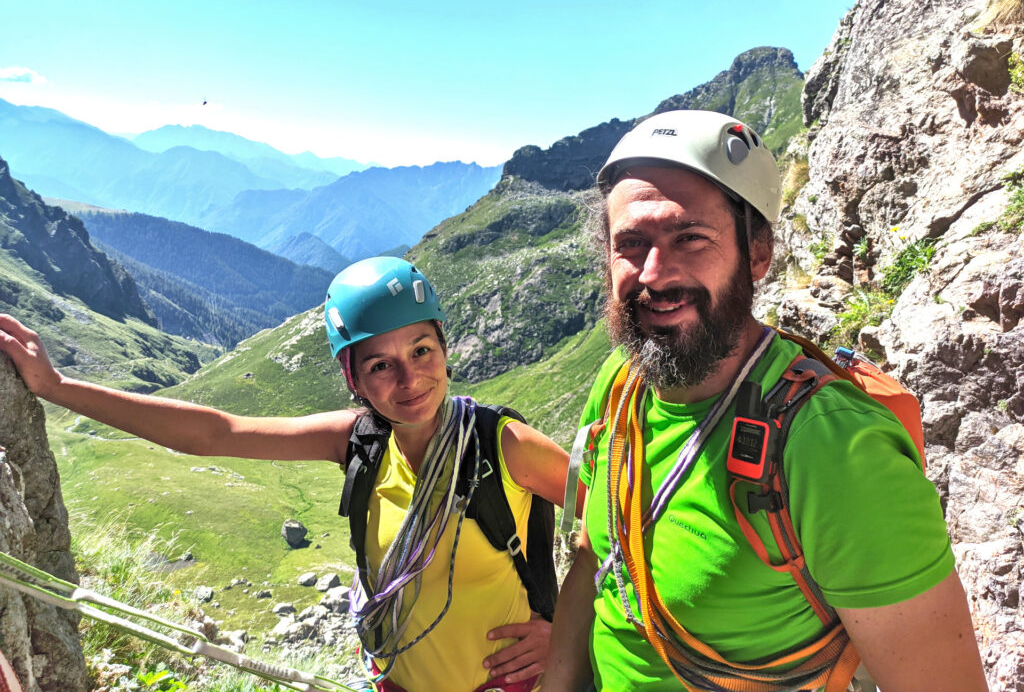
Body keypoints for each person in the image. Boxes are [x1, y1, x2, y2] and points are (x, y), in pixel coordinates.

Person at [544, 110, 988, 692]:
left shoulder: (837, 452)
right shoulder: (621, 384)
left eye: (690, 238)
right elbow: (597, 563)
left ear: (757, 255)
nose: (653, 273)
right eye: (630, 244)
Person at [0, 256, 573, 692]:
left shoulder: (503, 447)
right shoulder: (360, 442)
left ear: (445, 348)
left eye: (422, 350)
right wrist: (58, 389)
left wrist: (568, 632)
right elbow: (216, 434)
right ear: (354, 380)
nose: (410, 379)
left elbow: (623, 523)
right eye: (380, 364)